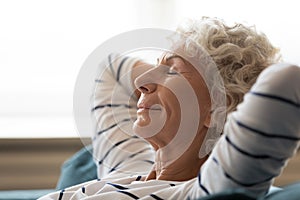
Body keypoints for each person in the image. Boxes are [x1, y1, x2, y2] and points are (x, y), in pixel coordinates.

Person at [39, 17, 300, 199]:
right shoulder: (130, 163)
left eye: (173, 72)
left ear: (217, 110)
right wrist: (167, 72)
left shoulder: (200, 191)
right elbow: (111, 68)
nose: (140, 83)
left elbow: (287, 80)